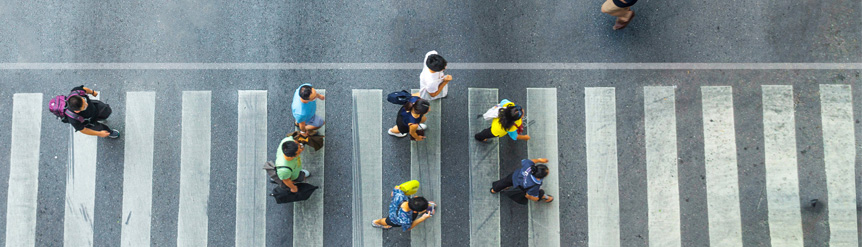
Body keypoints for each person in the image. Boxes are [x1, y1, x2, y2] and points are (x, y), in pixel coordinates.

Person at [371, 185, 436, 231]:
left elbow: (393, 192)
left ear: (415, 197)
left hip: (394, 209)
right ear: (415, 211)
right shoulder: (405, 219)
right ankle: (376, 222)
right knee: (386, 221)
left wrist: (398, 188)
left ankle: (377, 222)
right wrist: (422, 218)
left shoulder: (400, 195)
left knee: (386, 220)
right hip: (394, 219)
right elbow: (408, 228)